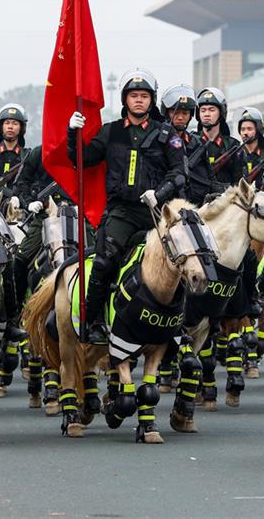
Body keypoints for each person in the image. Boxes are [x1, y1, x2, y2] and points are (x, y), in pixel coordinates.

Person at [66, 68, 186, 345]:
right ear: (125, 99)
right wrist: (73, 132)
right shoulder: (111, 132)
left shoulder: (166, 134)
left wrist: (160, 193)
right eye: (134, 95)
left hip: (156, 213)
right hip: (122, 212)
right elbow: (82, 159)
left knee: (184, 260)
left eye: (144, 95)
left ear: (152, 100)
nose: (139, 100)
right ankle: (93, 321)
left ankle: (181, 326)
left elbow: (180, 172)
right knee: (104, 261)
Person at [194, 87, 242, 194]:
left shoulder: (232, 146)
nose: (206, 114)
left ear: (221, 113)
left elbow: (238, 182)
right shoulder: (191, 142)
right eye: (203, 110)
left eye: (212, 110)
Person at [236, 107, 264, 187]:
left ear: (258, 130)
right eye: (243, 129)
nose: (245, 133)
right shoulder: (235, 156)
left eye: (249, 129)